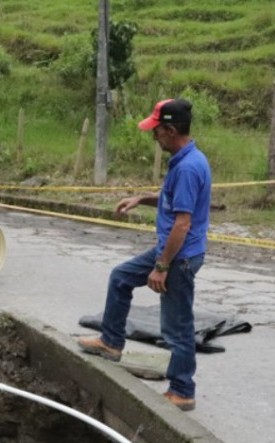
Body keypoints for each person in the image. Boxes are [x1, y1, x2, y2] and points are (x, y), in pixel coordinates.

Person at [77, 98, 211, 412]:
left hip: (179, 256)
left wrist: (162, 266)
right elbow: (172, 201)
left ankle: (182, 390)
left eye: (157, 131)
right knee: (121, 277)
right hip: (171, 250)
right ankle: (111, 342)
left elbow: (183, 222)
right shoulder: (182, 159)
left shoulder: (190, 167)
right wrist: (141, 199)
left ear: (171, 130)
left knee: (176, 325)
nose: (154, 137)